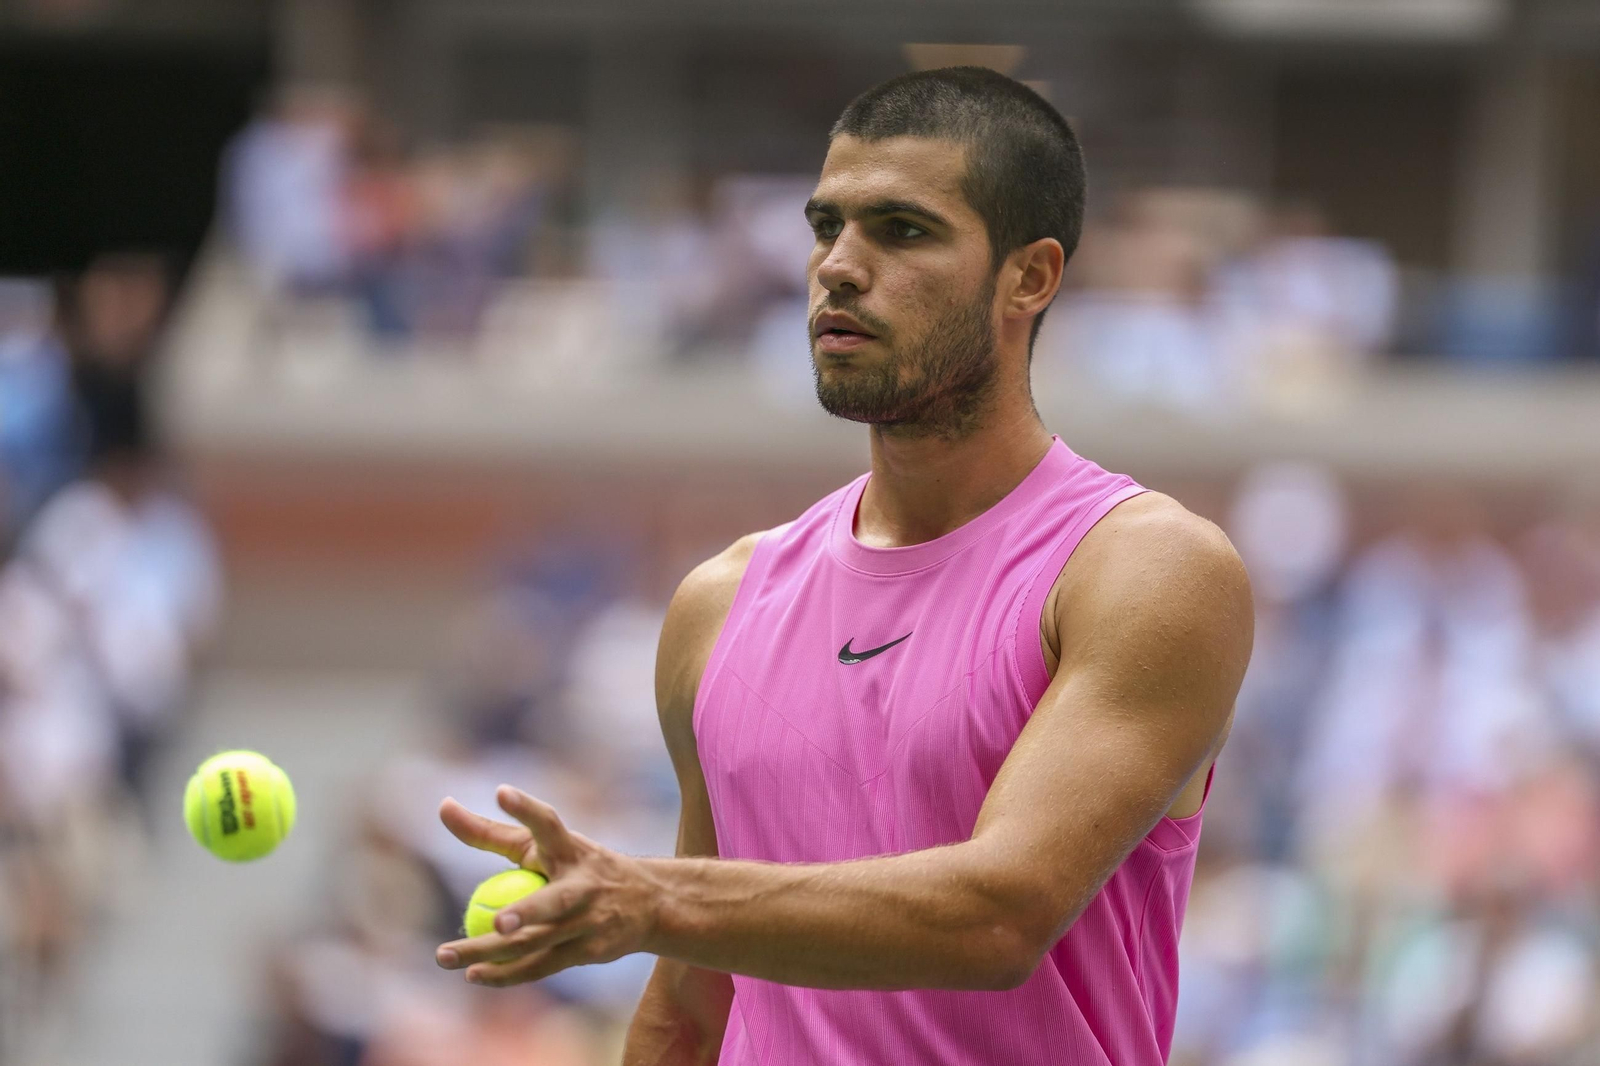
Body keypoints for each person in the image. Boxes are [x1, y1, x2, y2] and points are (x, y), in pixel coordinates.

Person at [432, 67, 1254, 1065]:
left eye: (901, 230)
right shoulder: (718, 602)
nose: (837, 266)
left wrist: (655, 898)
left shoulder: (1144, 569)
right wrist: (666, 916)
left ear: (1029, 276)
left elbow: (995, 915)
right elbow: (693, 1004)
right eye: (827, 225)